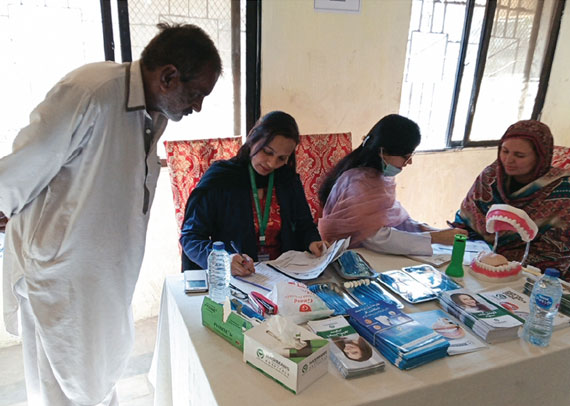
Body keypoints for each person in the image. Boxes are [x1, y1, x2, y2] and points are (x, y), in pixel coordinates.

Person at [0, 23, 221, 406]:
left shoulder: (156, 112)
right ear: (168, 76)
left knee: (99, 359)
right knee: (59, 379)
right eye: (196, 94)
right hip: (60, 270)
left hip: (105, 270)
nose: (198, 107)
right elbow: (28, 158)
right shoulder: (91, 92)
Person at [180, 111, 326, 275]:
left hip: (284, 275)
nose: (272, 163)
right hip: (237, 276)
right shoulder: (221, 179)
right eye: (267, 152)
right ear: (253, 137)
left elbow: (303, 224)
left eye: (282, 158)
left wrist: (312, 241)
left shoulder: (287, 180)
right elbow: (191, 238)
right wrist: (222, 260)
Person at [318, 114, 466, 255]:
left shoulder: (379, 177)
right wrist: (435, 238)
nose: (409, 163)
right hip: (354, 255)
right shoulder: (358, 184)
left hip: (374, 252)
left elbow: (394, 217)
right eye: (406, 157)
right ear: (383, 151)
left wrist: (425, 229)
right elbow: (373, 238)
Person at [454, 120, 570, 281]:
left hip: (532, 273)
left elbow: (557, 252)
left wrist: (505, 260)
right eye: (505, 151)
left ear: (540, 157)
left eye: (519, 155)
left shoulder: (563, 190)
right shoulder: (490, 176)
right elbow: (466, 224)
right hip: (479, 259)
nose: (508, 160)